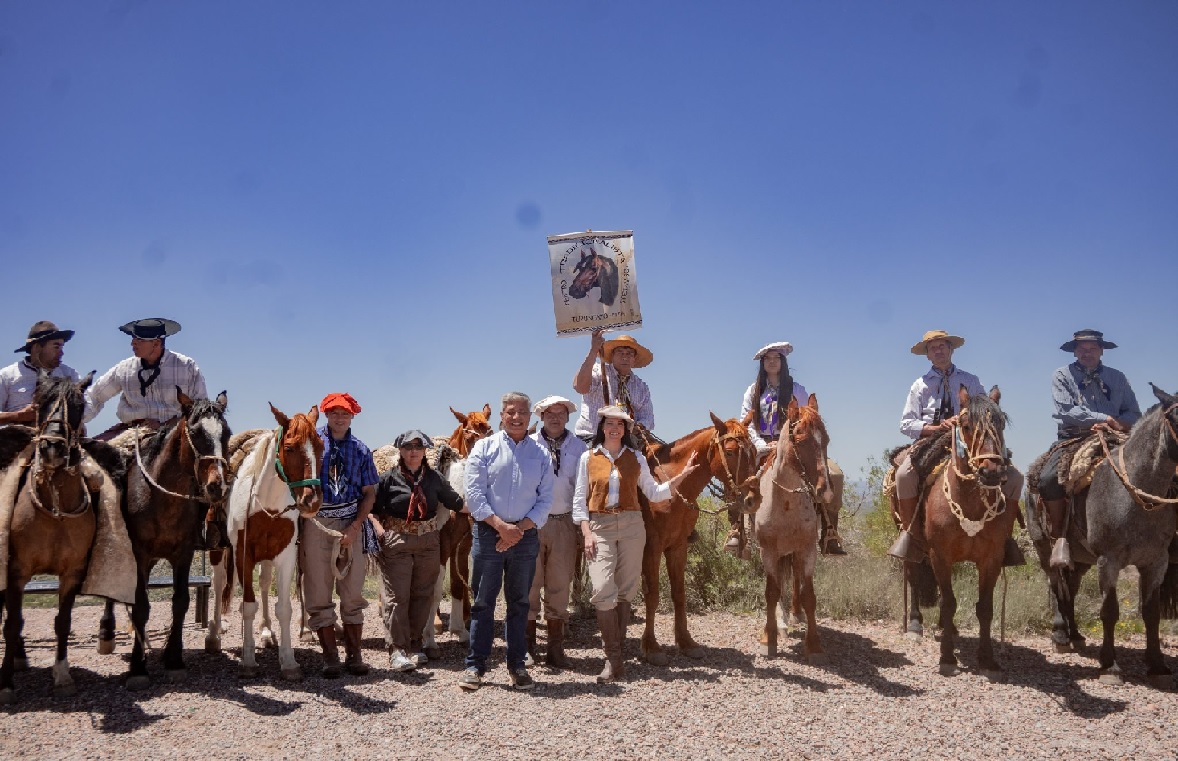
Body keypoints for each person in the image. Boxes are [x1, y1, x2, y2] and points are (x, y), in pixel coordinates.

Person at [574, 405, 698, 683]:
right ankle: (613, 657)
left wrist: (682, 476)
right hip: (600, 525)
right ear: (602, 427)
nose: (615, 428)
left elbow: (654, 492)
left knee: (626, 591)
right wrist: (586, 531)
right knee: (603, 588)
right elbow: (579, 500)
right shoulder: (587, 458)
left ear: (627, 428)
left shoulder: (637, 458)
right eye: (609, 423)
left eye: (620, 424)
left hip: (632, 525)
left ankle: (614, 661)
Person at [888, 330, 1024, 562]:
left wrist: (965, 421)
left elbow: (986, 411)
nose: (939, 351)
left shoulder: (970, 380)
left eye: (943, 346)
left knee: (1015, 477)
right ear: (928, 355)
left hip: (968, 439)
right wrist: (938, 426)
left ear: (951, 350)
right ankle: (909, 535)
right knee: (903, 475)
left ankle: (1006, 537)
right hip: (931, 440)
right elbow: (907, 424)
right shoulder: (919, 386)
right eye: (933, 348)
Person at [459, 391, 554, 692]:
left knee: (520, 603)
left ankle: (517, 666)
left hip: (525, 538)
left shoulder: (541, 455)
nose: (516, 417)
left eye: (522, 412)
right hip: (489, 534)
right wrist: (501, 527)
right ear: (501, 415)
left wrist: (519, 530)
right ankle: (476, 666)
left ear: (530, 416)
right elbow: (474, 495)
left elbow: (546, 500)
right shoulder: (483, 449)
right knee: (483, 603)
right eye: (510, 412)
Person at [1039, 329, 1141, 569]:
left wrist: (1118, 423)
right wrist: (1105, 417)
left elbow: (1134, 412)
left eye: (1092, 348)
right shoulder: (1062, 375)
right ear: (1074, 351)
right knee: (1048, 479)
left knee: (1156, 468)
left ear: (1101, 350)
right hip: (1075, 437)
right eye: (1082, 349)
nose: (1087, 353)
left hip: (1117, 436)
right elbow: (1066, 410)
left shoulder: (1118, 377)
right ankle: (1059, 537)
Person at [737, 341, 847, 556]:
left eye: (776, 358)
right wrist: (760, 444)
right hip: (762, 446)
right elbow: (746, 422)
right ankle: (738, 531)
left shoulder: (797, 390)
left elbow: (809, 419)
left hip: (794, 447)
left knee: (835, 474)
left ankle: (829, 532)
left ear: (783, 361)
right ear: (762, 363)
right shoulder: (753, 390)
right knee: (736, 475)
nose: (771, 362)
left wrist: (788, 443)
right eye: (767, 358)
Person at [370, 429, 466, 672]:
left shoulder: (434, 479)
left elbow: (457, 502)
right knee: (398, 596)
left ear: (425, 452)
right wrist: (379, 529)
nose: (413, 451)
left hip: (428, 542)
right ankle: (397, 650)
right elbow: (371, 508)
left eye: (418, 447)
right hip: (397, 541)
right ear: (400, 451)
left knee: (423, 593)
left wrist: (491, 516)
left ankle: (415, 644)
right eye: (408, 447)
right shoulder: (388, 479)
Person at [304, 392, 378, 678]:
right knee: (318, 590)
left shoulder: (361, 450)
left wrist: (356, 526)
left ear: (352, 416)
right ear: (326, 414)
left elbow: (369, 494)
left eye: (344, 413)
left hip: (350, 523)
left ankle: (355, 655)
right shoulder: (313, 444)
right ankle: (330, 657)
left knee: (352, 591)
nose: (339, 417)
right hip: (317, 523)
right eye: (334, 412)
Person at [526, 395, 588, 669]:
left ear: (568, 417)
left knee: (559, 586)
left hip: (564, 523)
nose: (555, 418)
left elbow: (582, 488)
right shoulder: (528, 445)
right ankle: (527, 647)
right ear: (541, 416)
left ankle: (555, 648)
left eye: (560, 413)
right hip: (532, 523)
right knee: (529, 583)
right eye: (549, 413)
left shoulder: (579, 448)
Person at [83, 318, 207, 440]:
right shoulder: (124, 369)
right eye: (133, 338)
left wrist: (166, 425)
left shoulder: (186, 366)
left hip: (175, 433)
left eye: (139, 340)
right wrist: (75, 421)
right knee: (90, 454)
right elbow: (95, 396)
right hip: (131, 433)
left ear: (156, 343)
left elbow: (200, 407)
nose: (133, 343)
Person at [573, 330, 654, 445]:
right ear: (612, 356)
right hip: (591, 436)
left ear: (634, 359)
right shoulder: (597, 371)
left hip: (625, 440)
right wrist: (593, 350)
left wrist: (638, 426)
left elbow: (648, 417)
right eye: (620, 352)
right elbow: (580, 387)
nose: (624, 357)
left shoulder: (641, 387)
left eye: (629, 353)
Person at [0, 321, 79, 426]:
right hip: (18, 439)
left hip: (60, 439)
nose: (61, 352)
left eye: (62, 347)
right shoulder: (7, 376)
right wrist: (19, 416)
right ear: (37, 347)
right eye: (56, 347)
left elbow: (83, 410)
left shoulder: (69, 375)